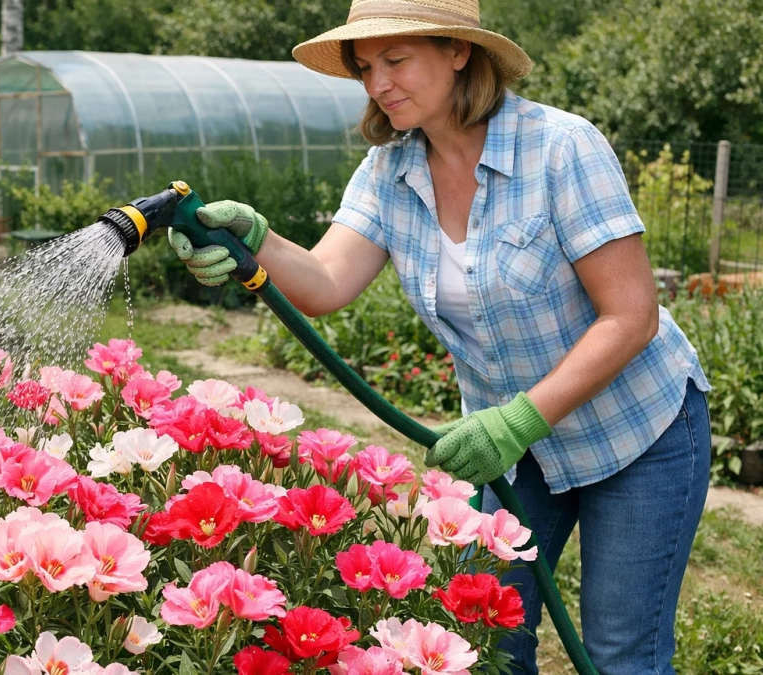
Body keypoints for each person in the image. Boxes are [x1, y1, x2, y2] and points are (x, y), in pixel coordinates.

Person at [167, 1, 712, 673]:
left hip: (636, 432)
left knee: (619, 653)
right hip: (521, 454)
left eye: (396, 60)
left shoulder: (561, 147)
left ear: (459, 50)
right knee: (485, 639)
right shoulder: (390, 171)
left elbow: (632, 315)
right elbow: (327, 281)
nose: (378, 84)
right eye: (367, 67)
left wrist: (516, 420)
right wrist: (257, 239)